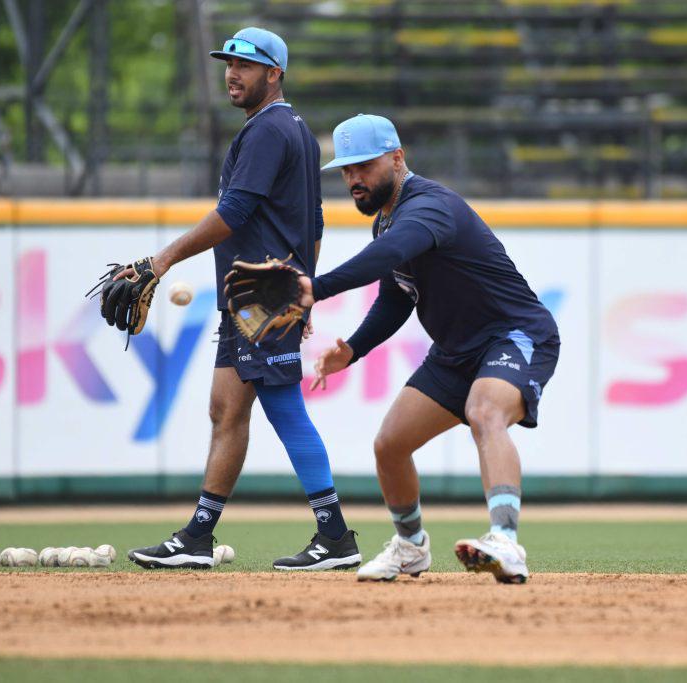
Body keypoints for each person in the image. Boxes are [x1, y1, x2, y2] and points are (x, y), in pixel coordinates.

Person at [121, 28, 359, 570]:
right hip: (264, 294)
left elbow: (234, 215)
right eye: (229, 63)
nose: (233, 73)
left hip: (263, 295)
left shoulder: (270, 129)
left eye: (246, 66)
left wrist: (160, 261)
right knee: (226, 409)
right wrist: (307, 288)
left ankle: (336, 535)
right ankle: (198, 537)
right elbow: (314, 223)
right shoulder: (295, 129)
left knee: (282, 406)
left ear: (274, 73)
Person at [302, 114, 560, 583]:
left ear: (397, 158)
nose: (354, 178)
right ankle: (411, 546)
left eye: (364, 165)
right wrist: (353, 350)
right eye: (345, 170)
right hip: (456, 351)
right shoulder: (387, 222)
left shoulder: (429, 206)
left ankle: (505, 539)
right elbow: (396, 297)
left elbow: (388, 256)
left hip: (515, 334)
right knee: (390, 444)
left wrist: (313, 289)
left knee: (485, 411)